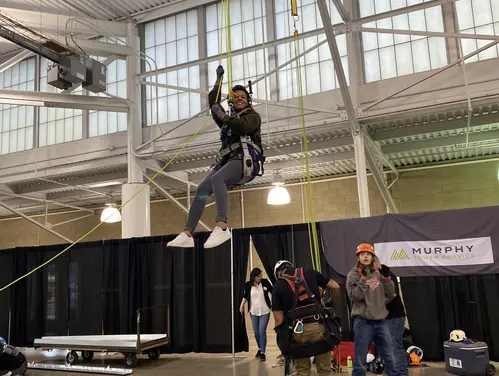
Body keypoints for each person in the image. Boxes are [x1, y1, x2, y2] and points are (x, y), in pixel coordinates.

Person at [167, 65, 264, 249]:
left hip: (244, 161)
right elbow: (213, 103)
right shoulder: (227, 121)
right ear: (231, 102)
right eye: (235, 97)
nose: (239, 99)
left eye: (243, 97)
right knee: (202, 188)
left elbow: (242, 127)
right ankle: (188, 232)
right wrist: (218, 80)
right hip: (228, 162)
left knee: (217, 178)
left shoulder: (253, 117)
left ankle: (222, 225)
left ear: (248, 101)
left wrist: (225, 118)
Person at [272, 260, 341, 376]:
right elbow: (335, 286)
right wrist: (330, 301)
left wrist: (283, 341)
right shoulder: (309, 271)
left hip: (297, 332)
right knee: (325, 370)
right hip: (319, 327)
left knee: (302, 371)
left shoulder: (278, 285)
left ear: (278, 273)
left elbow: (278, 319)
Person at [346, 243, 400, 376]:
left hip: (381, 321)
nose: (365, 256)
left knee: (390, 357)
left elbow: (391, 293)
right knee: (360, 360)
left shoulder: (377, 272)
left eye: (368, 254)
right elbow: (355, 296)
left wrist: (387, 278)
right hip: (363, 322)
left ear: (372, 257)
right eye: (362, 254)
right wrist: (363, 279)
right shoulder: (353, 274)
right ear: (358, 257)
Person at [240, 268, 273, 361]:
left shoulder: (265, 282)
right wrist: (241, 305)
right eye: (258, 276)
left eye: (260, 276)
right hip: (253, 311)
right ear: (253, 276)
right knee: (256, 333)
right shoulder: (248, 285)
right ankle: (259, 348)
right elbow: (246, 296)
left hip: (265, 311)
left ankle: (263, 352)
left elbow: (273, 291)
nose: (260, 278)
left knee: (262, 331)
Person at [384, 270, 408, 376]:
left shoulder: (386, 274)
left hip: (394, 316)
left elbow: (392, 294)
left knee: (394, 345)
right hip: (381, 317)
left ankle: (401, 373)